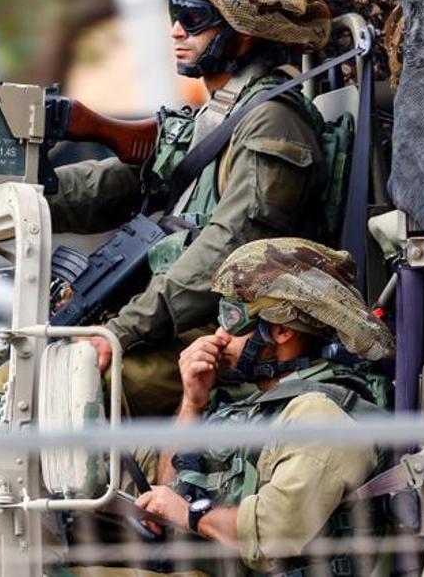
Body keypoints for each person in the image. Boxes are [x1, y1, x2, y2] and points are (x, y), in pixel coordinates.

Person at [0, 0, 336, 419]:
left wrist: (119, 331)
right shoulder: (211, 117)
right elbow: (107, 186)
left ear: (243, 32)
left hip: (220, 339)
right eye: (174, 11)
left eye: (193, 18)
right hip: (163, 324)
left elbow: (223, 253)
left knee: (8, 401)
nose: (174, 30)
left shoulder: (272, 124)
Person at [131, 237, 393, 574]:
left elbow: (273, 537)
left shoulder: (320, 416)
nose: (219, 334)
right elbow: (169, 488)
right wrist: (192, 403)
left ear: (282, 332)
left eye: (233, 317)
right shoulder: (253, 403)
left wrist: (190, 516)